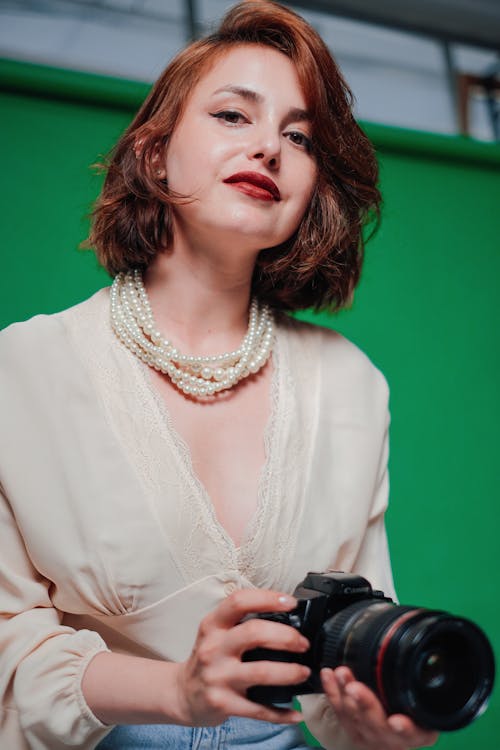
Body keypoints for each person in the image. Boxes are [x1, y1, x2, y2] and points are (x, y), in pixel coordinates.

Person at [0, 2, 439, 749]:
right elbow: (8, 647)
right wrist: (177, 691)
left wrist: (385, 718)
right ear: (153, 152)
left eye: (299, 136)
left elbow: (355, 642)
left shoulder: (353, 385)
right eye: (234, 116)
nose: (269, 146)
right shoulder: (21, 370)